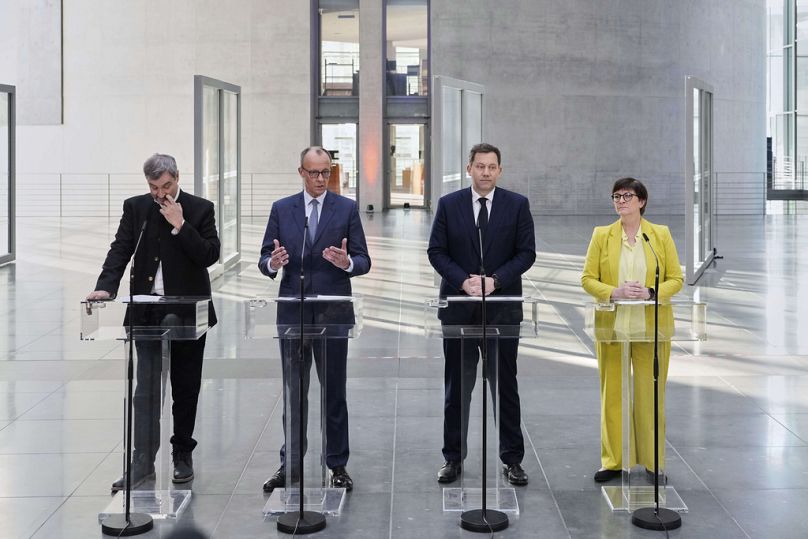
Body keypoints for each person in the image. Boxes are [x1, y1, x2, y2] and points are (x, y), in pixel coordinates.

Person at [87, 153, 220, 490]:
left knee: (185, 386)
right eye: (154, 187)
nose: (161, 193)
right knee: (145, 389)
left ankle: (182, 454)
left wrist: (181, 224)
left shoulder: (200, 208)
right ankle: (142, 462)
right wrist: (105, 287)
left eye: (166, 185)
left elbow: (209, 255)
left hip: (189, 312)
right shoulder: (136, 208)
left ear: (177, 177)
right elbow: (121, 249)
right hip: (146, 311)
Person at [258, 146, 371, 493]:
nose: (321, 179)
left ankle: (337, 464)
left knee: (333, 392)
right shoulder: (282, 209)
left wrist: (346, 264)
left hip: (333, 313)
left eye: (326, 172)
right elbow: (264, 258)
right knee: (295, 392)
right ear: (301, 173)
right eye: (314, 173)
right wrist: (273, 264)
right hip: (293, 311)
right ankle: (290, 463)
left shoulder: (347, 208)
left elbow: (363, 260)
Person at [427, 143, 536, 486]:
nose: (486, 172)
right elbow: (436, 251)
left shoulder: (517, 205)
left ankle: (512, 460)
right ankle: (453, 458)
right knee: (457, 389)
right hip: (459, 310)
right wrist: (463, 281)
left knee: (505, 387)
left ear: (499, 170)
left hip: (502, 311)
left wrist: (495, 280)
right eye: (480, 166)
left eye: (492, 167)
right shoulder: (449, 205)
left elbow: (526, 253)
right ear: (469, 168)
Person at [581, 177, 683, 482]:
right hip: (612, 329)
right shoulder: (602, 235)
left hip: (652, 329)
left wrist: (650, 293)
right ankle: (612, 461)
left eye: (627, 196)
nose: (621, 201)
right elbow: (587, 278)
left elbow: (676, 279)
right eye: (616, 196)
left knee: (650, 395)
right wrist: (614, 292)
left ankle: (653, 462)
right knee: (612, 395)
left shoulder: (659, 236)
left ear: (641, 201)